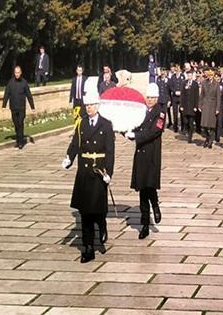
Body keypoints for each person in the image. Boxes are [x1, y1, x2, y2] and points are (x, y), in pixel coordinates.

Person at [61, 92, 114, 263]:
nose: (89, 108)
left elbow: (110, 151)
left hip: (99, 171)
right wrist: (69, 158)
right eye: (87, 105)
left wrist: (109, 172)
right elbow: (75, 144)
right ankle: (88, 248)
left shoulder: (106, 124)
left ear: (97, 105)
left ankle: (102, 223)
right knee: (85, 213)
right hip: (84, 171)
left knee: (97, 209)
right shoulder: (81, 123)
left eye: (92, 105)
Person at [125, 84, 163, 240]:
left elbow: (154, 131)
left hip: (152, 155)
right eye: (148, 97)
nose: (150, 100)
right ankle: (145, 224)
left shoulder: (160, 113)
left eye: (152, 97)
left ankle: (155, 205)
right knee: (142, 190)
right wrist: (125, 130)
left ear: (157, 98)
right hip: (140, 154)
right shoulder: (141, 111)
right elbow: (135, 126)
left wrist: (137, 136)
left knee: (149, 186)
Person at [2, 66, 35, 149]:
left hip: (21, 107)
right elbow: (6, 94)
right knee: (16, 124)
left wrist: (32, 107)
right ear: (14, 73)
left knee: (20, 123)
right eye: (15, 73)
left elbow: (29, 95)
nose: (17, 74)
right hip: (13, 107)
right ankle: (18, 140)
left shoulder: (24, 82)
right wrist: (4, 105)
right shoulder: (10, 83)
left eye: (18, 72)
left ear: (21, 73)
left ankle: (20, 142)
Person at [199, 68, 221, 148]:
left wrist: (217, 108)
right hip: (205, 105)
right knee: (204, 125)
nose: (210, 77)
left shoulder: (216, 84)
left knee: (211, 125)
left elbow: (218, 97)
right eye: (209, 75)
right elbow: (201, 95)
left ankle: (211, 140)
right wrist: (200, 105)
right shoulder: (204, 82)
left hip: (212, 105)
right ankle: (207, 138)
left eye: (211, 75)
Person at [180, 70, 199, 143]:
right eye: (188, 75)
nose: (189, 77)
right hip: (185, 106)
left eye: (190, 75)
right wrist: (181, 105)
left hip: (192, 106)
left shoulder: (195, 84)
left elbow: (197, 96)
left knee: (191, 122)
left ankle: (190, 137)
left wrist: (196, 106)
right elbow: (182, 95)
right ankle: (188, 131)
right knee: (185, 121)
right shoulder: (184, 83)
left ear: (192, 76)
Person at [167, 66, 184, 133]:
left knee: (182, 112)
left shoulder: (182, 76)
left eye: (178, 70)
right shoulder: (173, 77)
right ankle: (175, 127)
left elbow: (184, 85)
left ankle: (183, 127)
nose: (177, 71)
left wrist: (181, 91)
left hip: (181, 97)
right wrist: (174, 91)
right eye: (176, 70)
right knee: (175, 112)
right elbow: (170, 86)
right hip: (174, 97)